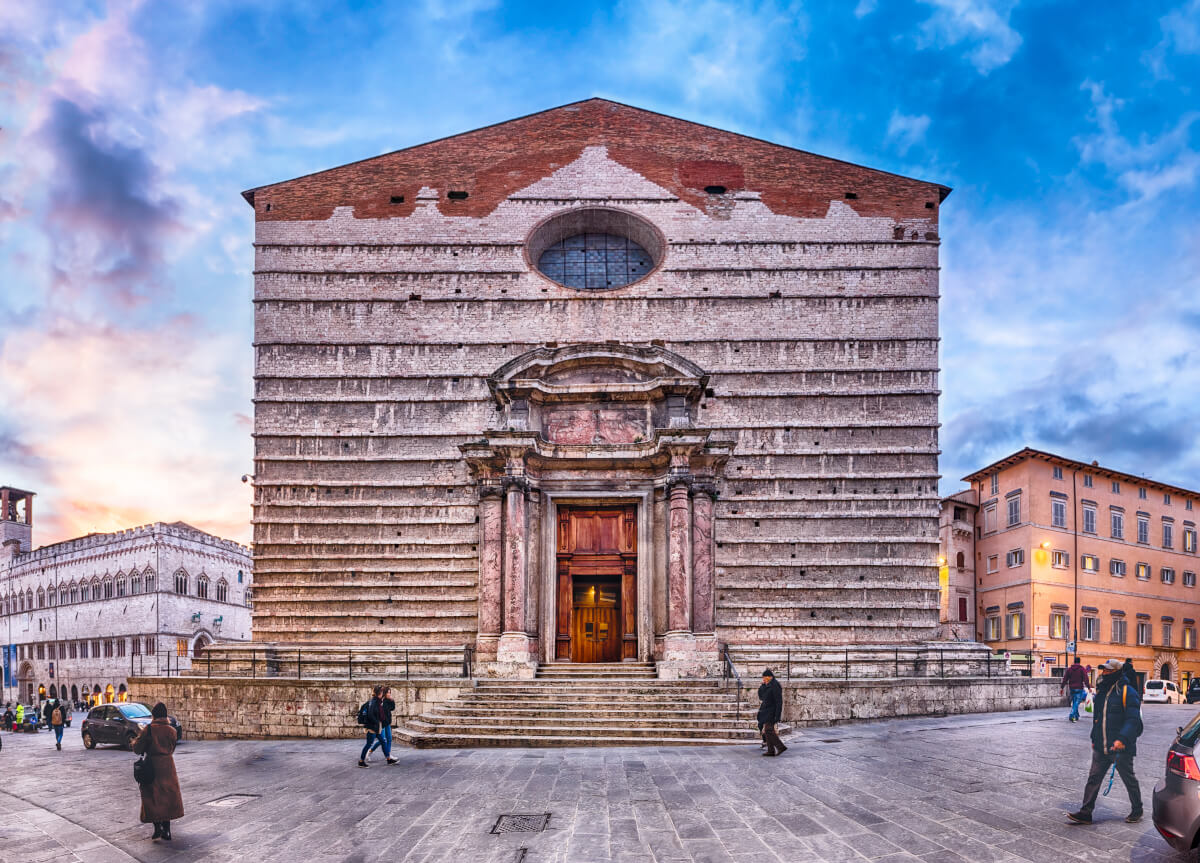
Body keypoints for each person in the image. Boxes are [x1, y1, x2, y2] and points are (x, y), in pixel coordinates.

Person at [1067, 659, 1144, 825]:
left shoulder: (1127, 692)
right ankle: (1085, 813)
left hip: (1120, 747)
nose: (1104, 673)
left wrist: (1122, 739)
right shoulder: (1102, 692)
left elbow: (1133, 720)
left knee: (1129, 779)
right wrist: (1094, 739)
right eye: (1103, 670)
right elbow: (1098, 719)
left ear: (1116, 673)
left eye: (1108, 671)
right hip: (1101, 746)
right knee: (1093, 779)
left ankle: (1137, 809)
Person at [133, 702, 184, 841]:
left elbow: (137, 748)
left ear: (154, 715)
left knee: (152, 796)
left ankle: (157, 828)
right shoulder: (172, 731)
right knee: (167, 796)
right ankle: (167, 830)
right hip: (168, 766)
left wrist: (136, 742)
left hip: (152, 765)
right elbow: (172, 748)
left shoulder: (149, 729)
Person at [757, 669, 786, 757]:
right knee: (767, 730)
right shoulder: (767, 685)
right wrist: (762, 687)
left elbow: (779, 702)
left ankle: (780, 747)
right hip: (766, 711)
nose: (763, 679)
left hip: (772, 711)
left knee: (769, 730)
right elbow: (762, 697)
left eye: (764, 678)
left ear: (769, 677)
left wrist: (777, 715)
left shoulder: (775, 685)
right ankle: (771, 750)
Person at [368, 686, 399, 765]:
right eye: (388, 692)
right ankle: (371, 751)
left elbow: (392, 708)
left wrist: (392, 700)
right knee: (383, 740)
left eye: (390, 692)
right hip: (382, 724)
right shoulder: (382, 701)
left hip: (387, 723)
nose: (389, 694)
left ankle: (388, 755)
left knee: (389, 739)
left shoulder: (388, 700)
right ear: (384, 693)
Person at [1060, 657, 1092, 723]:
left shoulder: (1069, 669)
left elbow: (1065, 679)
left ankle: (1076, 715)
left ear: (1074, 661)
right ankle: (1072, 715)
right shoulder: (1082, 669)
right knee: (1077, 702)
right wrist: (1089, 687)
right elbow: (1086, 679)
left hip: (1071, 688)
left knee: (1075, 702)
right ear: (1079, 662)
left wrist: (1062, 687)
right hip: (1079, 688)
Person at [358, 685, 383, 768]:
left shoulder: (375, 701)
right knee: (369, 744)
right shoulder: (374, 702)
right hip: (372, 727)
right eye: (382, 692)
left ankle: (388, 758)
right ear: (379, 693)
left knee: (383, 740)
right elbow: (371, 714)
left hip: (374, 726)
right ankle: (361, 761)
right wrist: (376, 722)